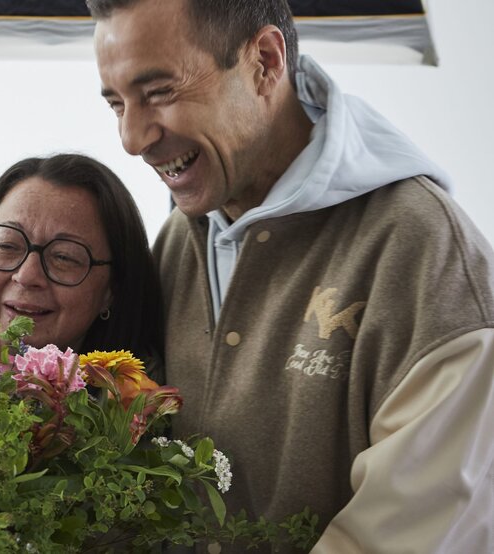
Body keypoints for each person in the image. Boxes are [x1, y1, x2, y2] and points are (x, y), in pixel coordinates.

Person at [87, 0, 494, 552]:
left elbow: (416, 531)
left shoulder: (425, 253)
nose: (132, 139)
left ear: (264, 61)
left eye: (159, 92)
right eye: (117, 104)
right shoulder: (177, 240)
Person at [0, 153, 163, 366]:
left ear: (111, 290)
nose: (27, 276)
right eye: (7, 245)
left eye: (63, 257)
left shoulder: (143, 395)